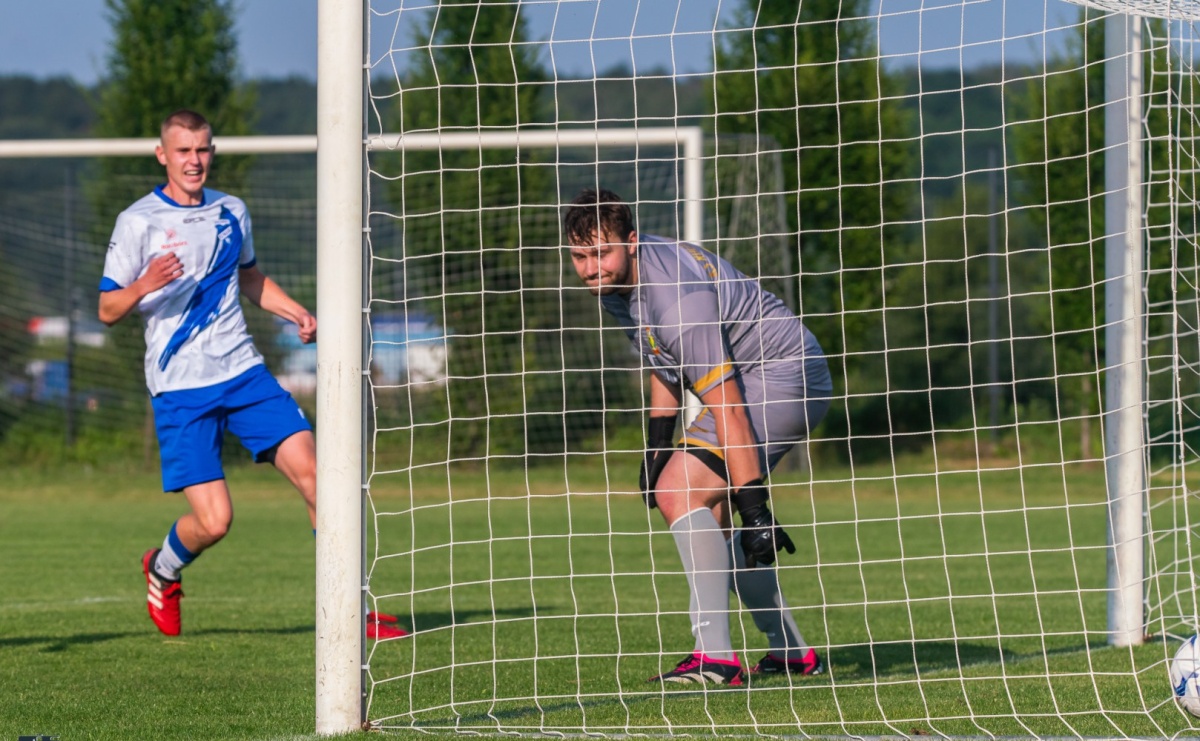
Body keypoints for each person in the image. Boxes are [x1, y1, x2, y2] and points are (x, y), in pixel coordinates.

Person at [98, 109, 406, 640]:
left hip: (244, 374)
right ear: (162, 155)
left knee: (321, 479)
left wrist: (297, 313)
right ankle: (163, 568)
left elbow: (248, 277)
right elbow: (107, 308)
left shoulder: (231, 211)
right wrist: (145, 281)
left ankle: (349, 608)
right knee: (215, 521)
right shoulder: (138, 222)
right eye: (184, 150)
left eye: (203, 149)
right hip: (180, 387)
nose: (195, 160)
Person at [563, 188, 833, 686]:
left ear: (632, 241)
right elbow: (664, 360)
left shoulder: (676, 298)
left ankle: (716, 658)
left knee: (679, 491)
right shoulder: (622, 284)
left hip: (781, 376)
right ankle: (791, 651)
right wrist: (657, 443)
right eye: (579, 256)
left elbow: (727, 405)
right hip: (763, 376)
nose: (590, 268)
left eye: (600, 253)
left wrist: (756, 506)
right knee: (707, 511)